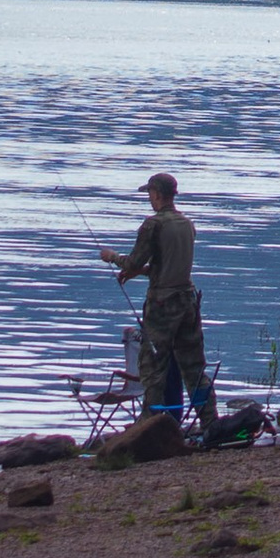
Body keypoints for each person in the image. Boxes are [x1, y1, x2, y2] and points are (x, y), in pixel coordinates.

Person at [101, 172, 216, 434]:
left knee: (152, 365)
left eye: (150, 194)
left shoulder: (153, 225)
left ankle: (150, 424)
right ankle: (209, 422)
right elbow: (166, 265)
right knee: (194, 367)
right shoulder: (187, 224)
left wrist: (112, 257)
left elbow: (133, 261)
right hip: (188, 301)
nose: (149, 199)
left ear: (157, 194)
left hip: (163, 305)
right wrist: (140, 273)